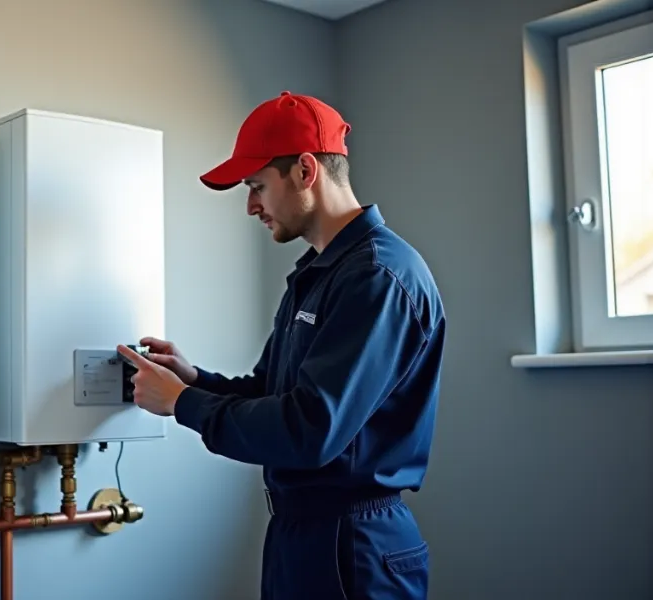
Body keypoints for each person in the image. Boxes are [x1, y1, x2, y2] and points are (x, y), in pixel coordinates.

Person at [118, 91, 446, 600]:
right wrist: (194, 380)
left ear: (305, 171)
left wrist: (183, 403)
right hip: (302, 536)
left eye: (256, 186)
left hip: (352, 546)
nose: (251, 206)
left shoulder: (377, 277)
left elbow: (309, 430)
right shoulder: (318, 274)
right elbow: (271, 393)